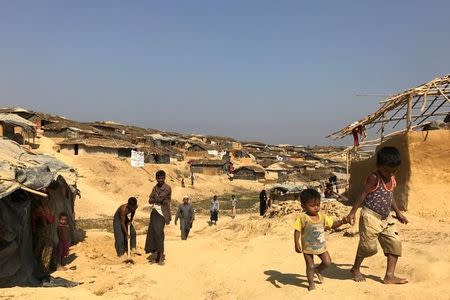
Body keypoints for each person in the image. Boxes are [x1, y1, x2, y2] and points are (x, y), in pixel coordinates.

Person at [345, 146, 408, 284]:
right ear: (378, 166)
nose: (389, 173)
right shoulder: (374, 177)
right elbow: (363, 194)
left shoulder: (392, 177)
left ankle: (389, 276)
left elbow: (390, 197)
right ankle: (355, 269)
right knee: (367, 247)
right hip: (370, 216)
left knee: (395, 243)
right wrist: (352, 212)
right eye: (386, 170)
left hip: (386, 218)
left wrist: (398, 213)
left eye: (393, 170)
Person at [293, 188, 347, 291]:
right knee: (310, 266)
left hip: (321, 246)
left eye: (318, 204)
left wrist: (342, 221)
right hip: (308, 247)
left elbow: (332, 225)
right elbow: (297, 230)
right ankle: (311, 284)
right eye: (312, 206)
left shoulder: (322, 217)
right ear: (303, 206)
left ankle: (318, 270)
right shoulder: (302, 218)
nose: (316, 208)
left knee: (327, 262)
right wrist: (296, 243)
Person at [145, 170, 172, 265]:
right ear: (156, 178)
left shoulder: (168, 188)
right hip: (154, 212)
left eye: (162, 178)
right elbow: (150, 200)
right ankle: (156, 254)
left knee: (159, 233)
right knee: (152, 233)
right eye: (158, 178)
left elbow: (160, 199)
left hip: (163, 213)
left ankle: (161, 257)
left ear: (164, 178)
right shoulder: (154, 187)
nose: (160, 180)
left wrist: (155, 198)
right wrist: (156, 198)